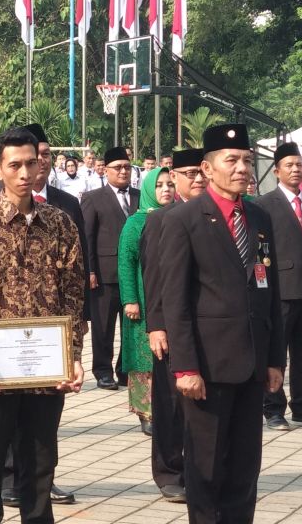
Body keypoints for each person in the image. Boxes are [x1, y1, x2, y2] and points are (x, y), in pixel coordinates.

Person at [0, 127, 86, 523]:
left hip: (47, 367)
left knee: (41, 460)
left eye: (32, 162)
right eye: (15, 165)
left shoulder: (60, 224)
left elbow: (73, 297)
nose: (26, 172)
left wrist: (73, 356)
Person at [159, 123, 285, 522]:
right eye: (231, 160)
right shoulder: (185, 219)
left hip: (251, 366)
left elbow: (271, 293)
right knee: (207, 468)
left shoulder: (259, 217)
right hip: (207, 369)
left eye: (247, 160)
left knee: (245, 469)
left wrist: (274, 360)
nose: (242, 168)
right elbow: (174, 301)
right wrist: (186, 366)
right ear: (207, 169)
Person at [140, 147, 205, 503]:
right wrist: (157, 325)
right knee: (169, 401)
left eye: (201, 172)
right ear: (174, 176)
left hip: (207, 323)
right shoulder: (160, 219)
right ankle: (169, 470)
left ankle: (199, 468)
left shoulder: (215, 213)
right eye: (190, 173)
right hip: (170, 325)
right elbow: (154, 275)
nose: (197, 179)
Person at [256, 142, 302, 431]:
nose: (296, 170)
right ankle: (273, 408)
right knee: (276, 351)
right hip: (280, 290)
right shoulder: (264, 204)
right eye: (290, 166)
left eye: (299, 165)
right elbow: (260, 252)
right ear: (276, 171)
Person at [117, 167, 174, 436]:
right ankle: (145, 412)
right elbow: (126, 262)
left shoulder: (177, 217)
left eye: (169, 184)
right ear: (150, 190)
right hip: (141, 301)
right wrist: (129, 299)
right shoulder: (135, 223)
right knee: (142, 359)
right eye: (159, 185)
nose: (166, 189)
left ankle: (167, 409)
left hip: (167, 299)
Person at [82, 146, 138, 390]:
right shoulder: (93, 198)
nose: (123, 171)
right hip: (105, 275)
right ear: (105, 171)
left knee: (131, 327)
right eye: (118, 168)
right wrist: (90, 271)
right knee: (103, 326)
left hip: (135, 274)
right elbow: (87, 237)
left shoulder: (139, 196)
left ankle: (125, 370)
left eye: (127, 167)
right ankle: (103, 371)